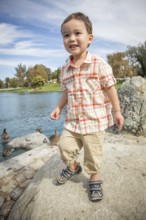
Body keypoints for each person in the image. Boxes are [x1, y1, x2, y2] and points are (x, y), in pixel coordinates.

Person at [50, 12, 124, 201]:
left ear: (89, 38)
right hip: (73, 122)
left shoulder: (99, 64)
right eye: (66, 35)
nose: (71, 39)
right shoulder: (65, 69)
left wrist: (117, 111)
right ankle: (73, 167)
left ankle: (94, 177)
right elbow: (66, 92)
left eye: (77, 33)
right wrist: (58, 107)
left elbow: (110, 88)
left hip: (94, 121)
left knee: (93, 154)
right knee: (64, 147)